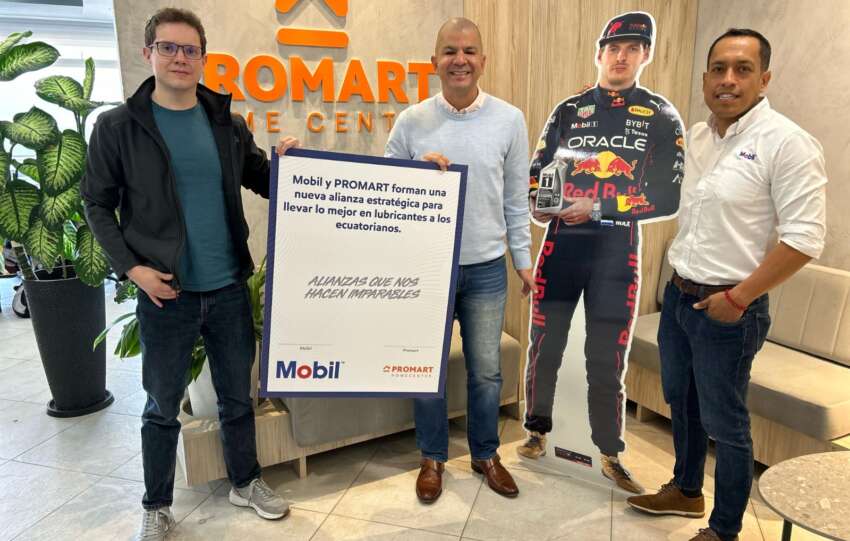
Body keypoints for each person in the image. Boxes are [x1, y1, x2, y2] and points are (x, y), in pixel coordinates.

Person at [81, 8, 298, 541]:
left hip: (228, 287)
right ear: (148, 53)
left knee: (237, 397)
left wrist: (293, 168)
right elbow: (96, 203)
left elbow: (263, 179)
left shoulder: (225, 123)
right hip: (165, 294)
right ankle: (156, 505)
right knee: (161, 406)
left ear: (203, 57)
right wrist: (133, 269)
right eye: (168, 47)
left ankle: (245, 481)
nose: (180, 58)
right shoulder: (119, 127)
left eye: (190, 49)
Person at [626, 29, 827, 541]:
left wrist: (739, 298)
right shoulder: (696, 138)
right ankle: (686, 490)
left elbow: (805, 240)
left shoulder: (786, 143)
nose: (728, 80)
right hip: (679, 297)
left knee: (726, 423)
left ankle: (724, 528)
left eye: (742, 69)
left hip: (730, 309)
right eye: (718, 69)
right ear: (705, 78)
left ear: (765, 78)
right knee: (682, 403)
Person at [519, 11, 684, 495]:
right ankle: (536, 432)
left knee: (606, 356)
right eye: (614, 48)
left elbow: (666, 196)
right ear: (599, 54)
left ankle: (609, 452)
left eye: (632, 48)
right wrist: (540, 204)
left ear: (645, 55)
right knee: (544, 344)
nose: (621, 56)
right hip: (560, 247)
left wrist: (598, 206)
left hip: (616, 250)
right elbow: (536, 174)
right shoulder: (568, 110)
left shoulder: (660, 115)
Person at [384, 17, 535, 503]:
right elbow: (385, 192)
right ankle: (432, 457)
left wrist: (523, 260)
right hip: (427, 266)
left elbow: (515, 200)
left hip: (487, 267)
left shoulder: (509, 120)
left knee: (486, 371)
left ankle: (486, 454)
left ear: (482, 61)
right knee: (425, 368)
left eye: (469, 51)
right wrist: (416, 172)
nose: (460, 60)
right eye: (450, 51)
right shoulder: (411, 122)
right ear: (435, 61)